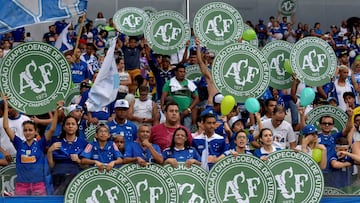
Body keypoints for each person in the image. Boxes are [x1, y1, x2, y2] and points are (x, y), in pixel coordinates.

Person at [2, 95, 60, 196]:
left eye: (30, 130)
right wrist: (6, 105)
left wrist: (57, 110)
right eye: (25, 130)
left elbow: (52, 129)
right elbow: (6, 127)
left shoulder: (40, 144)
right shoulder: (19, 143)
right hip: (22, 185)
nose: (28, 132)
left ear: (35, 131)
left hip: (39, 185)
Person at [47, 115, 88, 195]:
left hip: (76, 178)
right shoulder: (56, 142)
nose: (70, 126)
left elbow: (86, 167)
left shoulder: (83, 143)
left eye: (73, 124)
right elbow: (51, 166)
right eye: (68, 124)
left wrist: (78, 160)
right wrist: (49, 151)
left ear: (77, 127)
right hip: (58, 177)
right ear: (64, 127)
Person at [161, 63, 199, 130]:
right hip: (173, 113)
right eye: (180, 72)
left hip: (186, 113)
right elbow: (163, 96)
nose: (182, 73)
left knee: (186, 132)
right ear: (175, 72)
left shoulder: (189, 83)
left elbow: (196, 98)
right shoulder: (169, 83)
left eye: (184, 72)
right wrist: (163, 107)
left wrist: (189, 109)